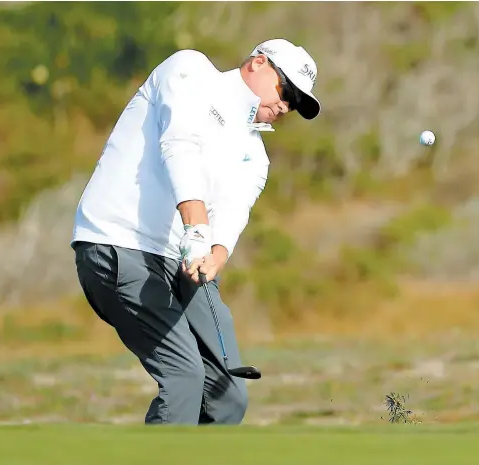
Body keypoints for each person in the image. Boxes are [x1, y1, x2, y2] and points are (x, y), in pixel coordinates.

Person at [71, 38, 321, 425]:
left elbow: (233, 215)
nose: (286, 105)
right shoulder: (189, 70)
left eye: (296, 104)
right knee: (183, 377)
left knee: (228, 397)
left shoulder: (256, 156)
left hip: (181, 259)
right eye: (286, 90)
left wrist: (214, 256)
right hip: (118, 244)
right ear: (257, 63)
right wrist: (197, 230)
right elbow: (180, 145)